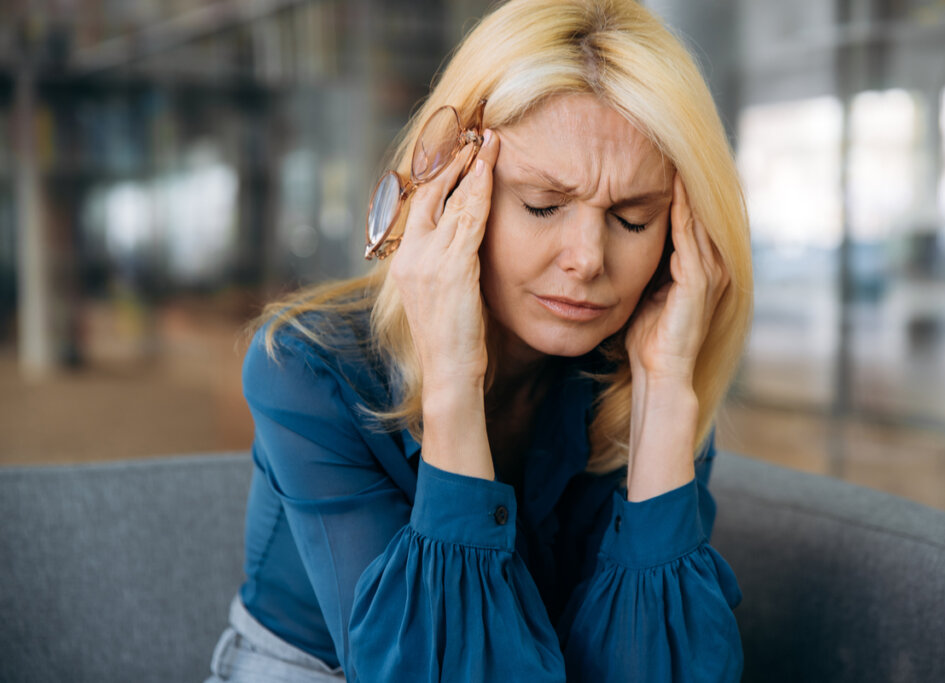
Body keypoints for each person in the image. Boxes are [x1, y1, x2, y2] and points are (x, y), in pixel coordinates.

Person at [205, 0, 753, 680]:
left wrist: (666, 395)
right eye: (542, 205)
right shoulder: (307, 368)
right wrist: (452, 381)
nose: (587, 259)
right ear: (454, 187)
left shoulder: (647, 374)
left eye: (633, 219)